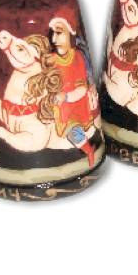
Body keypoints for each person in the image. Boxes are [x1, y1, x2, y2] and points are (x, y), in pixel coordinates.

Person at [48, 12, 99, 166]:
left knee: (73, 131)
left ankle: (89, 151)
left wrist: (66, 97)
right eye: (52, 34)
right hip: (57, 105)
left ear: (70, 33)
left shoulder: (77, 58)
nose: (53, 40)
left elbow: (82, 88)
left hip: (75, 107)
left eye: (59, 33)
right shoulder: (51, 59)